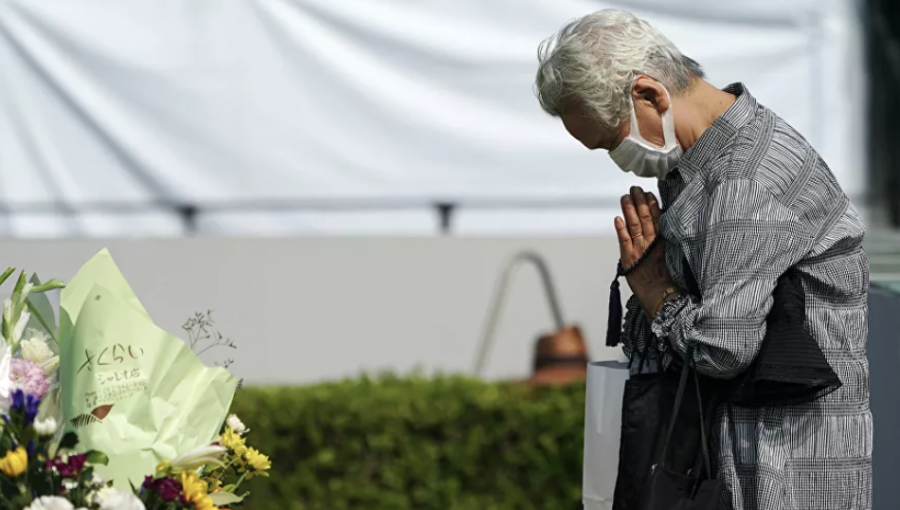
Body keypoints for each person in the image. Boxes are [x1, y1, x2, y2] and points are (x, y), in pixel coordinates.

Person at [534, 9, 871, 510]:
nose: (616, 158)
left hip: (783, 471)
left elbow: (722, 345)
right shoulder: (702, 161)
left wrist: (652, 288)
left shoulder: (744, 180)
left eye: (610, 140)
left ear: (650, 94)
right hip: (738, 455)